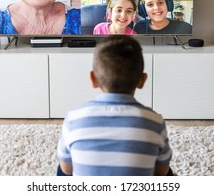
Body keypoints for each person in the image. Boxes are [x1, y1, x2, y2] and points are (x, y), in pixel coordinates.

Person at [56, 35, 174, 176]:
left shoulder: (74, 118)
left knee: (61, 169)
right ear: (142, 80)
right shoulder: (154, 121)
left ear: (93, 79)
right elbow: (161, 172)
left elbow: (66, 169)